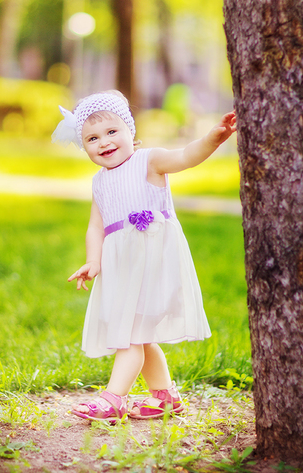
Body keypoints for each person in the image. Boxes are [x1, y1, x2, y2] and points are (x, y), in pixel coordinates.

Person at [52, 90, 237, 423]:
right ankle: (165, 397)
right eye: (92, 138)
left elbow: (185, 156)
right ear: (84, 146)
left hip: (152, 264)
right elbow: (96, 227)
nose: (104, 142)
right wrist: (94, 261)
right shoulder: (99, 182)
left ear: (130, 130)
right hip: (123, 269)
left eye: (112, 132)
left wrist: (213, 138)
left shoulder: (149, 161)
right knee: (140, 334)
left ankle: (113, 399)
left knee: (130, 335)